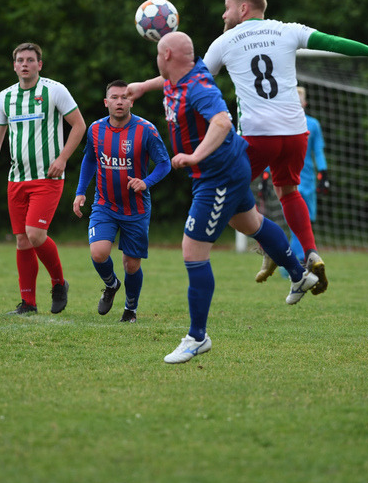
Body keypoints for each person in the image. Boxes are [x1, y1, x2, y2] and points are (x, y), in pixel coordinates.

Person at [130, 0, 368, 295]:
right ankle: (309, 251)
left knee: (226, 192)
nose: (224, 14)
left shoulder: (226, 41)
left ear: (243, 10)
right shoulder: (288, 30)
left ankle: (270, 248)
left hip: (258, 135)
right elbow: (333, 42)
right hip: (296, 134)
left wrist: (144, 86)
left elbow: (185, 76)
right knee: (287, 190)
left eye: (227, 7)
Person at [133, 31, 319, 364]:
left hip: (217, 176)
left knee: (192, 250)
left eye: (158, 55)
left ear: (167, 57)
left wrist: (194, 157)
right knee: (251, 223)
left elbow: (221, 121)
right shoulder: (184, 75)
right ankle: (299, 274)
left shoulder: (198, 87)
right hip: (225, 170)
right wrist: (142, 87)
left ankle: (197, 337)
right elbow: (166, 83)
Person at [0, 42, 85, 315]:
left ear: (40, 64)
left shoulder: (54, 90)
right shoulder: (5, 97)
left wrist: (62, 159)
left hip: (47, 178)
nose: (24, 64)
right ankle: (28, 303)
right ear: (14, 65)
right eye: (20, 60)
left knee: (36, 234)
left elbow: (79, 125)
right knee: (22, 241)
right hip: (16, 179)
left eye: (30, 59)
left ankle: (59, 283)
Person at [72, 80, 171, 323]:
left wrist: (145, 182)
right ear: (106, 102)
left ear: (131, 101)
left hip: (136, 208)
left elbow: (165, 163)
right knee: (98, 252)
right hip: (104, 204)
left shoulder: (146, 130)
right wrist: (80, 191)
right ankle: (111, 284)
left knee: (131, 265)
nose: (119, 101)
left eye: (124, 97)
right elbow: (89, 160)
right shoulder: (95, 129)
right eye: (114, 97)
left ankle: (131, 309)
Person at [256, 86, 329, 280]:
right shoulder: (288, 126)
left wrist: (323, 172)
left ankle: (294, 260)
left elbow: (317, 151)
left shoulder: (312, 125)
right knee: (299, 222)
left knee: (301, 222)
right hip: (294, 181)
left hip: (305, 181)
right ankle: (296, 262)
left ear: (303, 104)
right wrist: (265, 174)